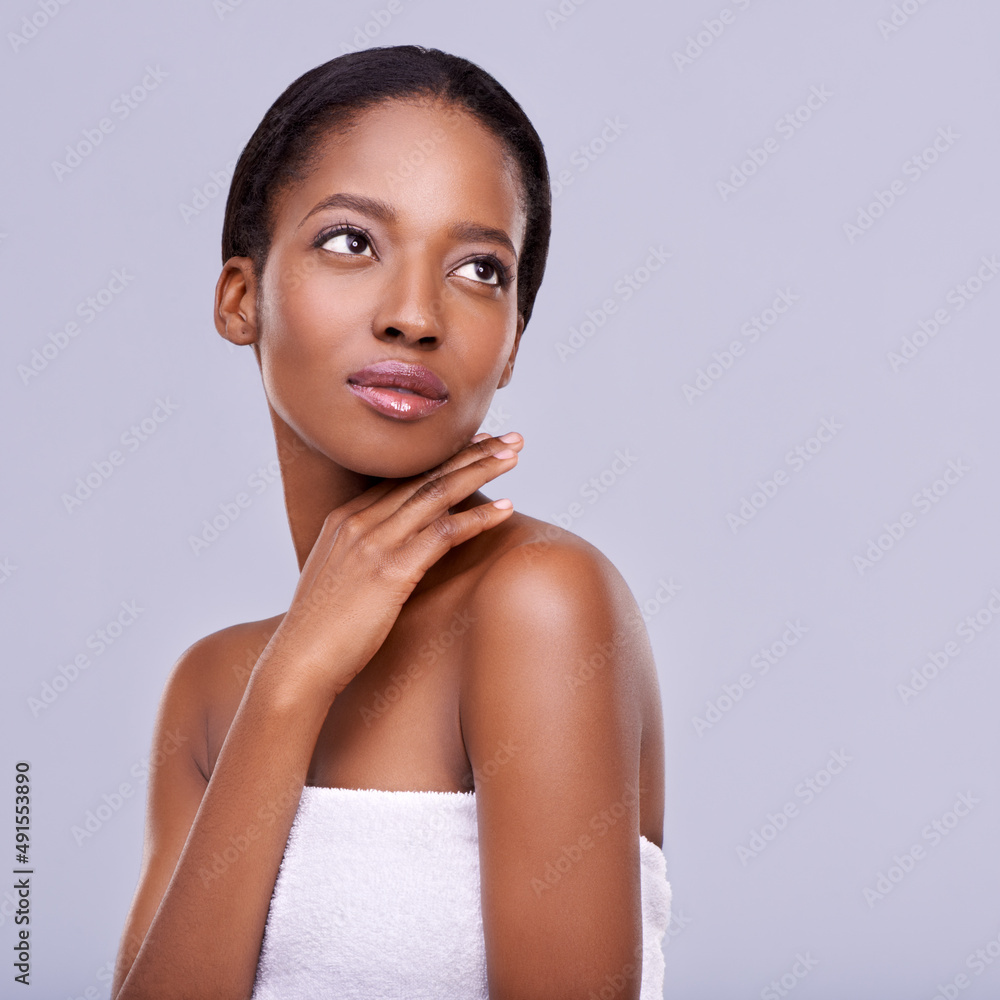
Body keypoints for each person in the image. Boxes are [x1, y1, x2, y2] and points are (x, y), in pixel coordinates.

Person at [110, 44, 670, 1000]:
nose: (416, 315)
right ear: (241, 298)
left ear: (513, 347)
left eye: (480, 269)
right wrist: (292, 680)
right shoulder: (213, 687)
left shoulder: (539, 604)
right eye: (351, 242)